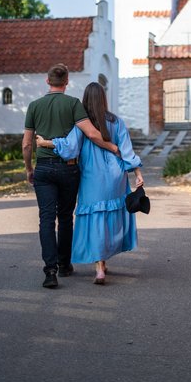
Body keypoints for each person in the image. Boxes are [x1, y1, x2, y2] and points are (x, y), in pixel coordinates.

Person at [36, 81, 144, 285]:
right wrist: (137, 172)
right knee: (110, 217)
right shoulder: (116, 121)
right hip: (115, 176)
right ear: (103, 98)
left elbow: (69, 148)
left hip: (91, 177)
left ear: (85, 100)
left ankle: (99, 266)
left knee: (95, 218)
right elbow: (126, 150)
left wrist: (45, 143)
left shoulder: (82, 124)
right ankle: (105, 259)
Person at [22, 64, 118, 289]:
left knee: (46, 219)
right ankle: (65, 265)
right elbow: (92, 134)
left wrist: (29, 169)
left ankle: (50, 271)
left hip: (43, 168)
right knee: (65, 216)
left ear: (47, 81)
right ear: (66, 82)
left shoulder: (34, 106)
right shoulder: (73, 104)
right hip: (68, 169)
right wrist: (112, 147)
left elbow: (27, 144)